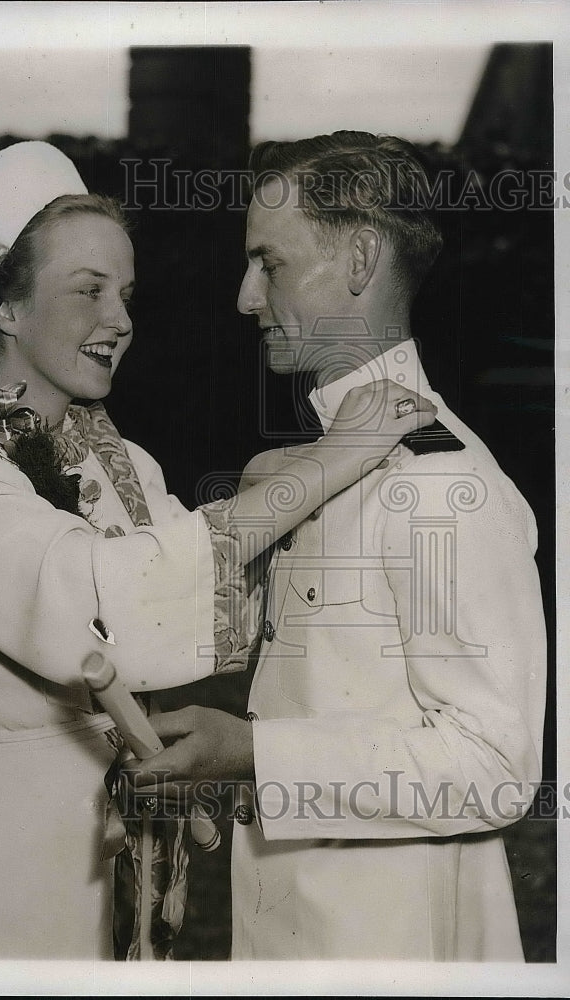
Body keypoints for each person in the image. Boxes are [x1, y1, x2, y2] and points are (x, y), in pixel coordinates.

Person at [0, 140, 435, 960]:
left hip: (127, 841)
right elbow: (100, 604)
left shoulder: (123, 463)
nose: (121, 319)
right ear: (3, 304)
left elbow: (219, 602)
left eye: (127, 293)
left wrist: (279, 487)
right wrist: (327, 462)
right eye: (89, 291)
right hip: (5, 847)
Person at [124, 131, 547, 961]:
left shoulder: (440, 483)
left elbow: (495, 765)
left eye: (269, 264)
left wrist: (255, 753)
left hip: (392, 941)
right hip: (300, 926)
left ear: (360, 260)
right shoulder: (322, 458)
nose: (246, 297)